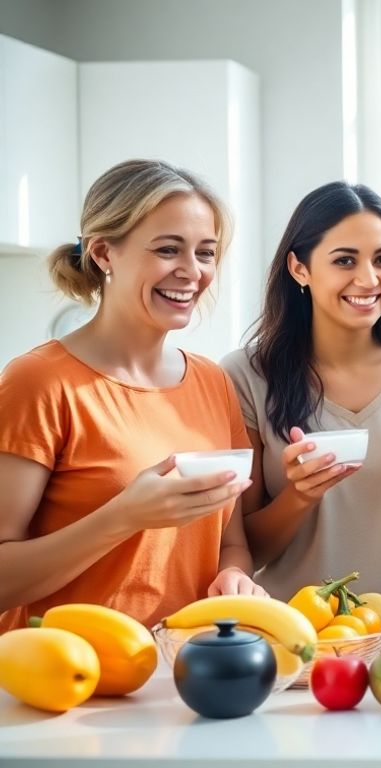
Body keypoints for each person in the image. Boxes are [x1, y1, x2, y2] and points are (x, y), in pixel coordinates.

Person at [0, 159, 263, 631]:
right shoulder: (38, 382)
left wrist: (235, 575)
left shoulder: (212, 382)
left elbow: (232, 541)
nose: (193, 272)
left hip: (183, 675)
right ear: (103, 253)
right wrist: (123, 517)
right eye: (168, 250)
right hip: (67, 685)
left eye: (206, 253)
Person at [222, 182, 381, 607]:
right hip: (288, 629)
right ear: (299, 269)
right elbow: (246, 552)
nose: (368, 279)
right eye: (345, 260)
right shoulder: (245, 376)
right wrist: (300, 496)